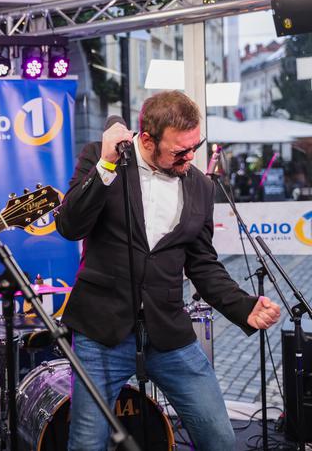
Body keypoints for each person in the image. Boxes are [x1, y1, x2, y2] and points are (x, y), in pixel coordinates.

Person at [55, 90, 280, 451]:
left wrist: (243, 305)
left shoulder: (201, 186)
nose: (190, 157)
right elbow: (70, 226)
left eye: (196, 146)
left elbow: (203, 263)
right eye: (180, 151)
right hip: (101, 333)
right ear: (146, 139)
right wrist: (106, 166)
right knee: (86, 443)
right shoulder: (101, 161)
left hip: (168, 333)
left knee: (219, 437)